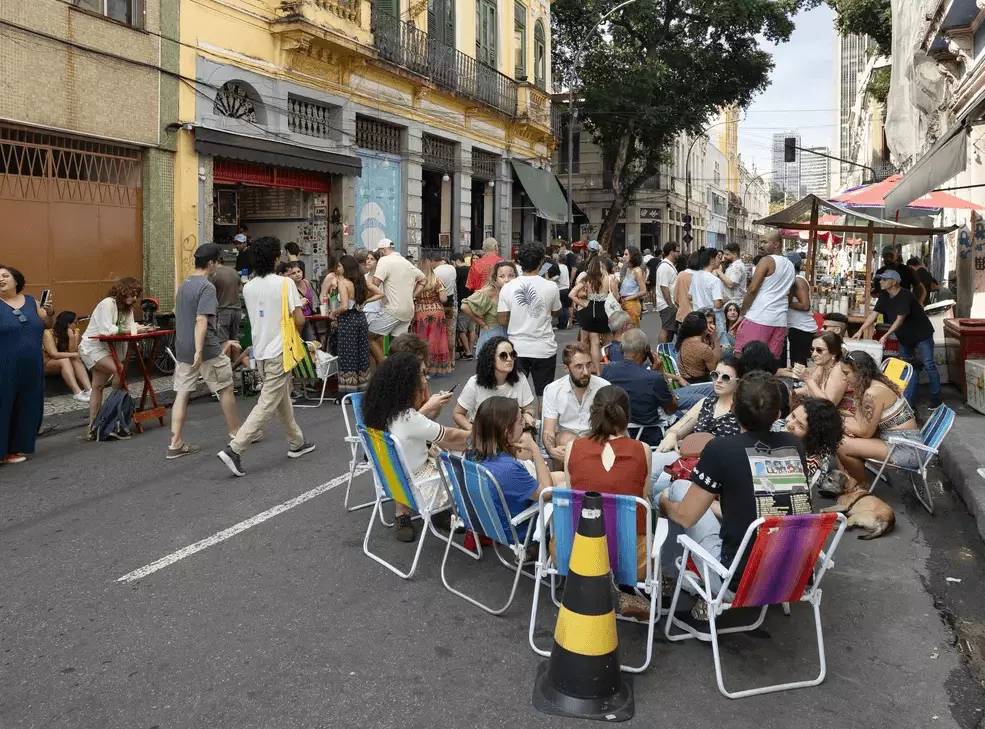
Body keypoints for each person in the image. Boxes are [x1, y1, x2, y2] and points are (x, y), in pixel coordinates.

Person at [659, 371, 813, 598]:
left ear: (732, 408)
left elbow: (685, 518)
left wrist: (664, 504)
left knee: (677, 489)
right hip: (793, 578)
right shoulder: (794, 445)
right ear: (778, 414)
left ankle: (670, 576)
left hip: (738, 584)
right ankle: (681, 577)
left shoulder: (721, 449)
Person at [217, 237, 316, 477]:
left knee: (281, 399)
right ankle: (235, 449)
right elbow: (299, 319)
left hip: (261, 351)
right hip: (281, 350)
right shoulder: (285, 284)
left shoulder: (249, 287)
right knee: (267, 403)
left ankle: (296, 442)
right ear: (275, 258)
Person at [362, 352, 470, 542]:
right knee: (473, 464)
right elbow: (451, 437)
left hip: (395, 484)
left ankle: (438, 515)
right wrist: (487, 436)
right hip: (422, 488)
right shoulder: (408, 417)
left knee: (449, 448)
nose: (425, 380)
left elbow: (420, 430)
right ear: (406, 381)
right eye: (422, 374)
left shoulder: (381, 411)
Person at [565, 385, 652, 602]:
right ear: (626, 414)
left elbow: (572, 496)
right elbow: (642, 498)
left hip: (579, 552)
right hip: (631, 559)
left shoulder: (573, 447)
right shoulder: (642, 449)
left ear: (593, 413)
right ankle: (629, 591)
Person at [169, 244, 241, 459]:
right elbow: (201, 320)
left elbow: (177, 313)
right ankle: (236, 434)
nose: (217, 266)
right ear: (210, 263)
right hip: (206, 348)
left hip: (182, 347)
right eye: (217, 262)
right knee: (225, 387)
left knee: (182, 393)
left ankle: (175, 443)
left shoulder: (184, 285)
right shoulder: (206, 287)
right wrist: (199, 350)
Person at [466, 396, 556, 544]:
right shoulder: (509, 469)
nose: (524, 424)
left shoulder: (473, 451)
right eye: (520, 421)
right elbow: (547, 493)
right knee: (565, 493)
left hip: (485, 521)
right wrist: (535, 449)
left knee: (559, 477)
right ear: (507, 432)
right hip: (517, 529)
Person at [854, 269, 941, 407]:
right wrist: (860, 330)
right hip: (904, 337)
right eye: (880, 279)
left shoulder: (905, 295)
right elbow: (873, 315)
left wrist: (886, 335)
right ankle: (908, 401)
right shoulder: (884, 295)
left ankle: (936, 400)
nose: (880, 282)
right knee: (906, 367)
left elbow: (900, 320)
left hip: (921, 334)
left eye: (884, 279)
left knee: (929, 364)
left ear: (894, 282)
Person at [836, 350, 922, 490]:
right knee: (841, 432)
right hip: (896, 439)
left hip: (905, 448)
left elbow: (865, 433)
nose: (844, 378)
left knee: (841, 444)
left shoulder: (872, 393)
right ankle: (850, 479)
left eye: (846, 373)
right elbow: (861, 423)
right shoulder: (872, 383)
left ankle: (861, 485)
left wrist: (844, 426)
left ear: (859, 372)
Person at [79, 277, 147, 439]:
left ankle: (93, 427)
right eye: (132, 293)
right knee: (119, 371)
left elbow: (129, 327)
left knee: (98, 386)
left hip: (109, 349)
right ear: (123, 291)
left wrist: (137, 329)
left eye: (136, 294)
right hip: (93, 348)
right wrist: (132, 330)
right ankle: (111, 414)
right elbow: (106, 330)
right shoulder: (108, 303)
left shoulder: (128, 309)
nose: (135, 298)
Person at [497, 243, 562, 397]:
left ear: (519, 262)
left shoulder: (508, 287)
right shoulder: (551, 286)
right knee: (544, 394)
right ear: (541, 262)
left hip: (517, 347)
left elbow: (502, 320)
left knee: (515, 394)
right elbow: (556, 312)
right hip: (544, 347)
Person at [0, 265, 46, 464]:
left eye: (5, 275)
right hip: (4, 365)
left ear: (16, 280)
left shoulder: (31, 302)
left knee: (28, 405)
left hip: (32, 364)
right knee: (3, 405)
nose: (1, 279)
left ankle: (14, 449)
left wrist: (48, 313)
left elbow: (45, 324)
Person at [602, 329, 677, 447]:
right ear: (646, 350)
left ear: (622, 349)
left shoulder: (608, 370)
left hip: (619, 431)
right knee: (696, 401)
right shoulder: (654, 378)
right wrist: (661, 374)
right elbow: (671, 409)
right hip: (650, 434)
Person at [542, 342, 609, 468]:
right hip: (565, 440)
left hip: (594, 438)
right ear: (566, 368)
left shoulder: (604, 387)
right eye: (579, 367)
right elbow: (548, 430)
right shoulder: (553, 389)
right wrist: (551, 450)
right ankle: (563, 478)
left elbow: (610, 427)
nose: (586, 372)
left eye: (588, 365)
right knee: (566, 441)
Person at [657, 354, 741, 452]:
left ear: (738, 381)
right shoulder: (705, 403)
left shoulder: (743, 409)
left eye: (725, 378)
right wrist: (672, 434)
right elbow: (675, 429)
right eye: (715, 375)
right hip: (697, 457)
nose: (718, 380)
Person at [452, 336, 536, 429]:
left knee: (527, 437)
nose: (509, 359)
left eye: (512, 354)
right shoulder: (474, 383)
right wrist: (474, 431)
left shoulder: (520, 378)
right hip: (483, 431)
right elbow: (458, 413)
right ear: (491, 359)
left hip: (512, 432)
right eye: (503, 356)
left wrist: (528, 414)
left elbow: (528, 408)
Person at [735, 231, 795, 358]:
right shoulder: (790, 265)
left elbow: (752, 289)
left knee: (745, 357)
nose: (760, 245)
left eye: (764, 242)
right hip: (780, 321)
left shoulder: (766, 260)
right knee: (770, 361)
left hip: (759, 317)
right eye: (760, 242)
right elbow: (790, 293)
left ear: (776, 244)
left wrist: (742, 313)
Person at [332, 255, 381, 394]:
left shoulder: (343, 282)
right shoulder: (361, 281)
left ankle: (348, 390)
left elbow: (344, 306)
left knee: (348, 354)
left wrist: (333, 313)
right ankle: (362, 387)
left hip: (348, 320)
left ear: (345, 267)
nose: (338, 268)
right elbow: (380, 293)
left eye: (340, 266)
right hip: (360, 318)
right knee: (362, 353)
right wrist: (365, 302)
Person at [569, 253, 617, 374]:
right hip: (604, 311)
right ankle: (610, 369)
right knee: (608, 343)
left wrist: (585, 304)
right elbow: (616, 297)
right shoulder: (610, 279)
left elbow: (572, 294)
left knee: (594, 343)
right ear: (602, 266)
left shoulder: (587, 280)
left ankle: (597, 371)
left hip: (590, 311)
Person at [370, 238, 425, 340]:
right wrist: (412, 295)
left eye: (379, 252)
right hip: (408, 310)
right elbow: (423, 280)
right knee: (398, 343)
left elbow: (375, 283)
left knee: (369, 337)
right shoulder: (406, 262)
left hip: (392, 310)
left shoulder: (384, 260)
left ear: (383, 250)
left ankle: (380, 353)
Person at [784, 398, 845, 484]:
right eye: (793, 416)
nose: (790, 424)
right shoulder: (779, 425)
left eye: (800, 426)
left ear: (812, 436)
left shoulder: (810, 463)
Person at [461, 261, 516, 354]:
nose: (507, 279)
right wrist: (482, 323)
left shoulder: (513, 290)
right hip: (492, 336)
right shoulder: (490, 291)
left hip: (509, 336)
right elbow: (464, 306)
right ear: (495, 278)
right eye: (501, 276)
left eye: (511, 275)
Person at [790, 331, 850, 411]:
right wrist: (791, 393)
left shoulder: (839, 370)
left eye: (819, 350)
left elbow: (829, 405)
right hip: (822, 411)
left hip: (840, 414)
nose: (813, 354)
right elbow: (810, 389)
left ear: (834, 353)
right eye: (812, 349)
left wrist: (807, 378)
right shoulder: (823, 365)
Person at [412, 254, 451, 376]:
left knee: (421, 340)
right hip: (437, 313)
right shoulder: (437, 281)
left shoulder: (415, 282)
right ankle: (437, 367)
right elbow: (444, 299)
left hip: (420, 313)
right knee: (437, 339)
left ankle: (423, 367)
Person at [44, 311, 91, 402]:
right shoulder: (48, 333)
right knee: (66, 360)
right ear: (68, 324)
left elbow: (72, 352)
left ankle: (89, 390)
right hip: (46, 363)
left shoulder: (74, 332)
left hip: (62, 363)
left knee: (73, 358)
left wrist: (72, 338)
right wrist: (73, 354)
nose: (76, 325)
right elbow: (54, 354)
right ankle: (77, 392)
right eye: (75, 323)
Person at [786, 251, 818, 366]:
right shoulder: (792, 279)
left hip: (802, 329)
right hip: (796, 328)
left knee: (799, 365)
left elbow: (805, 305)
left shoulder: (798, 280)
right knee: (797, 364)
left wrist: (786, 304)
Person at [353, 249, 384, 366]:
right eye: (367, 259)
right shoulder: (363, 277)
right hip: (363, 313)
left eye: (372, 259)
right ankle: (372, 373)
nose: (368, 261)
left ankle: (382, 369)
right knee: (367, 349)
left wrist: (366, 301)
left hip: (377, 312)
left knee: (376, 344)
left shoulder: (380, 278)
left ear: (377, 262)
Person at [210, 260, 243, 361]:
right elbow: (240, 288)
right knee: (235, 340)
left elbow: (210, 292)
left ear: (215, 262)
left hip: (223, 311)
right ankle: (236, 367)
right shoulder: (234, 272)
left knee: (224, 342)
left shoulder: (215, 274)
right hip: (237, 311)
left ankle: (226, 367)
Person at [676, 311, 721, 383]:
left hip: (686, 379)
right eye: (707, 323)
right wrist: (715, 337)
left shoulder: (684, 340)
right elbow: (715, 370)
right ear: (704, 328)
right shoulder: (704, 348)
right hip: (698, 382)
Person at [277, 261, 316, 341]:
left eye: (299, 271)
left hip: (309, 319)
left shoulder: (306, 283)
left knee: (310, 343)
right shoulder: (290, 287)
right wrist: (300, 304)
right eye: (293, 273)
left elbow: (311, 300)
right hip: (296, 321)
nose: (297, 274)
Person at [689, 247, 725, 333]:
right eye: (718, 257)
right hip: (712, 318)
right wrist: (723, 301)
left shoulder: (695, 276)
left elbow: (689, 296)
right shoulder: (715, 280)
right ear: (712, 259)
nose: (720, 261)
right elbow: (717, 304)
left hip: (697, 316)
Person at [433, 253, 460, 367]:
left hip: (438, 305)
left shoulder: (434, 272)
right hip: (451, 304)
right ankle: (451, 360)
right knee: (450, 333)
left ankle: (440, 359)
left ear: (434, 261)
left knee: (438, 333)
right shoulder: (452, 269)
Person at [654, 242, 680, 342]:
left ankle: (665, 349)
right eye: (677, 251)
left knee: (669, 331)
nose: (679, 253)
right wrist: (670, 304)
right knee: (666, 329)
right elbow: (664, 287)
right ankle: (662, 350)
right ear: (671, 252)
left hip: (669, 304)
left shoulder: (668, 266)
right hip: (666, 305)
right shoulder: (664, 267)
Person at [453, 253, 475, 358]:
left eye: (453, 262)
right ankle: (470, 350)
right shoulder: (471, 269)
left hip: (462, 303)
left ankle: (468, 352)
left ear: (457, 260)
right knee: (472, 329)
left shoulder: (457, 271)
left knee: (461, 329)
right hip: (473, 302)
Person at [618, 246, 647, 326]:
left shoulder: (637, 271)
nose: (623, 256)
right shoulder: (628, 269)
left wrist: (629, 298)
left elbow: (643, 291)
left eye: (626, 254)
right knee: (625, 330)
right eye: (624, 254)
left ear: (633, 256)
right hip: (623, 302)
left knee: (632, 330)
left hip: (632, 304)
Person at [673, 250, 701, 329]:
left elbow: (676, 297)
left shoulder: (681, 275)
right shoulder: (704, 277)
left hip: (683, 315)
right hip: (700, 316)